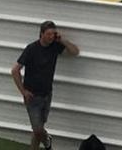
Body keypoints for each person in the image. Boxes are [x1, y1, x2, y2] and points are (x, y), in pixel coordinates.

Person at [12, 21, 78, 150]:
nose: (51, 37)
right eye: (48, 34)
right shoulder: (31, 49)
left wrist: (62, 40)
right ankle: (47, 142)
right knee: (37, 129)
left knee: (39, 128)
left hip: (47, 94)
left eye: (53, 34)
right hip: (32, 96)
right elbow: (15, 71)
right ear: (41, 34)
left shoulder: (55, 46)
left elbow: (74, 52)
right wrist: (23, 91)